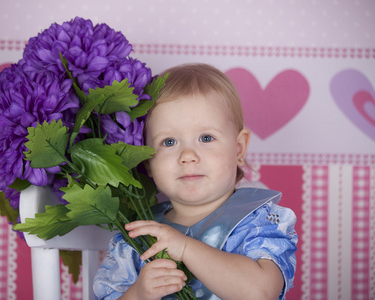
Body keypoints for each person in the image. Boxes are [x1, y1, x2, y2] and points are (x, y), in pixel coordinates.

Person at [93, 63, 298, 300]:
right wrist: (138, 294)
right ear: (148, 161)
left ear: (238, 148)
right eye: (169, 142)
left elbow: (259, 293)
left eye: (206, 137)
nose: (187, 155)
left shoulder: (256, 221)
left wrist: (186, 248)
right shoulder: (139, 236)